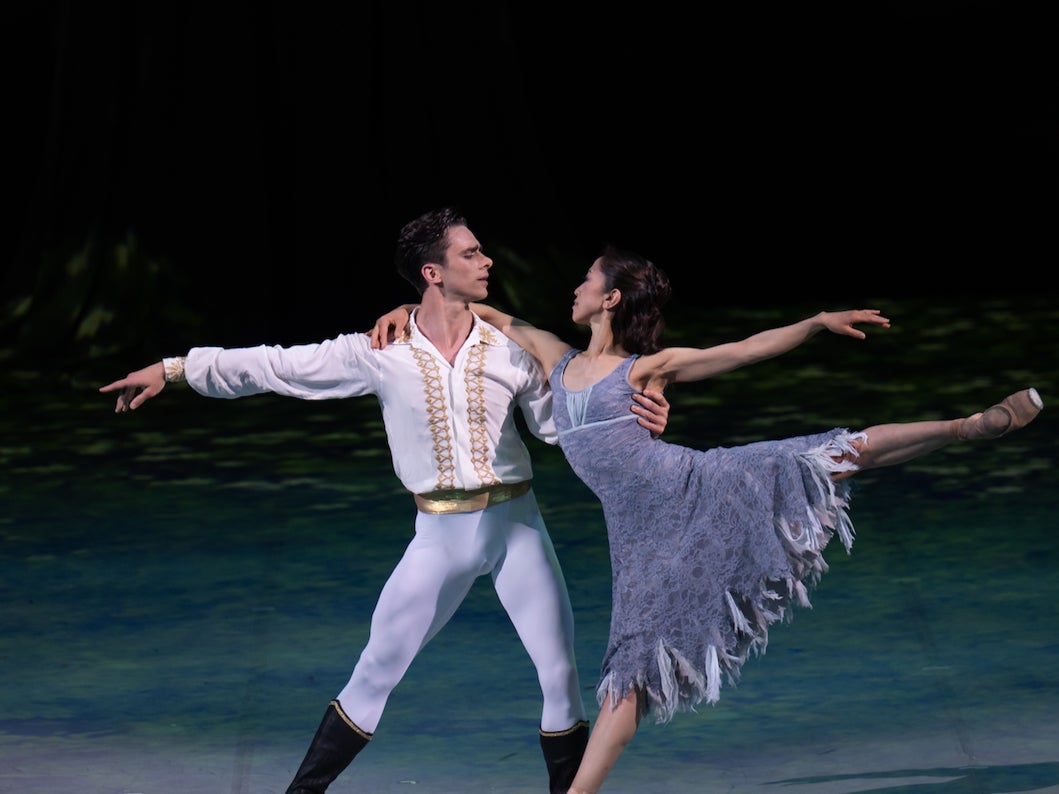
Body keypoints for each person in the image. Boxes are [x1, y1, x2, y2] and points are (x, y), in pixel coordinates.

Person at [371, 244, 1043, 794]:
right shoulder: (557, 357)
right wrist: (411, 304)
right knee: (629, 671)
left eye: (585, 281)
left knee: (825, 456)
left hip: (697, 488)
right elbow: (484, 313)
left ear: (608, 298)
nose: (572, 288)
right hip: (638, 539)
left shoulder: (644, 369)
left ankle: (964, 426)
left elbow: (741, 350)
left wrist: (811, 323)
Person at [97, 208, 672, 794]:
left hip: (516, 526)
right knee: (374, 671)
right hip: (439, 535)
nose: (487, 260)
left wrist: (635, 419)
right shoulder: (382, 348)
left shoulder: (510, 346)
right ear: (433, 272)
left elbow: (561, 426)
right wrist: (174, 370)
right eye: (470, 253)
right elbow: (275, 364)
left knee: (560, 675)